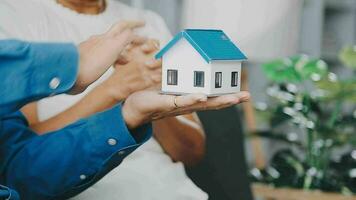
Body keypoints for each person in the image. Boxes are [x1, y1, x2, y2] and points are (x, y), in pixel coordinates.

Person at [0, 0, 211, 199]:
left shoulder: (150, 23)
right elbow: (21, 160)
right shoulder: (13, 16)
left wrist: (151, 88)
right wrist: (116, 89)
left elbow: (191, 152)